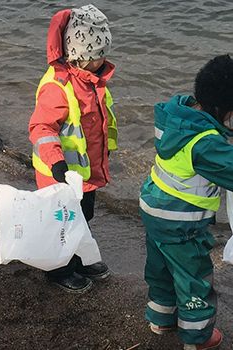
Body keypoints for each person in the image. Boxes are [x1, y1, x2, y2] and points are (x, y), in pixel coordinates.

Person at [139, 55, 233, 350]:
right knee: (193, 275)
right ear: (222, 110)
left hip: (153, 206)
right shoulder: (205, 143)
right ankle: (198, 337)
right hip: (180, 221)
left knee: (160, 268)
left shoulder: (175, 113)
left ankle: (161, 318)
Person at [28, 4, 117, 293]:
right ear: (79, 55)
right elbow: (41, 129)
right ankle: (58, 270)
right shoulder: (58, 87)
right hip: (60, 175)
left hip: (85, 174)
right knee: (61, 223)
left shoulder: (92, 81)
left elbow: (97, 124)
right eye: (97, 54)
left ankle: (79, 258)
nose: (102, 59)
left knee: (82, 216)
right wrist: (56, 164)